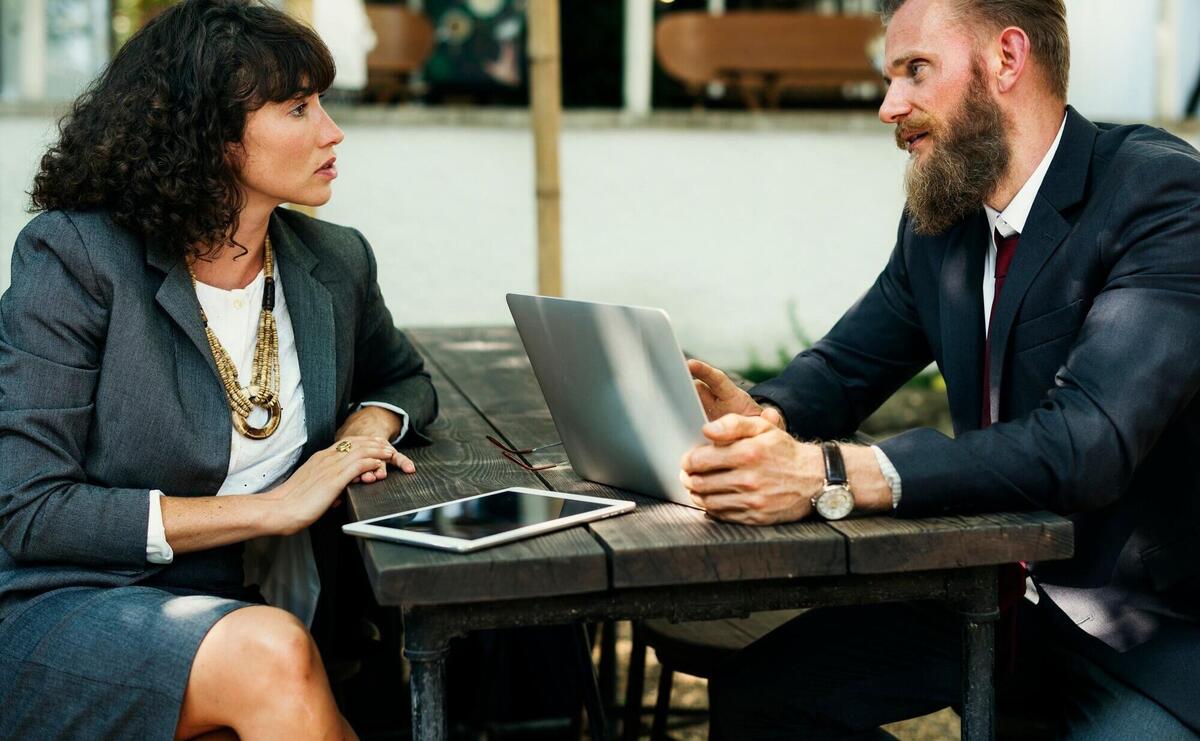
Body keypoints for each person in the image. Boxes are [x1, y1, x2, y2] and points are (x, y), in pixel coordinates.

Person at [681, 0, 1200, 737]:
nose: (891, 105)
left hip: (1143, 635)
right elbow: (842, 367)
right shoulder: (946, 218)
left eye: (915, 70)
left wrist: (837, 473)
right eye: (891, 76)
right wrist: (757, 417)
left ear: (1007, 60)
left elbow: (1087, 442)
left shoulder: (1161, 196)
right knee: (761, 696)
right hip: (984, 595)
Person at [0, 1, 437, 739]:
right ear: (207, 133)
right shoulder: (74, 258)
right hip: (71, 598)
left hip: (272, 607)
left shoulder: (334, 260)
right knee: (271, 654)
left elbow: (403, 380)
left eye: (322, 104)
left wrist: (361, 431)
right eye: (298, 108)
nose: (331, 131)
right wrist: (272, 507)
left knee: (280, 649)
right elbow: (29, 506)